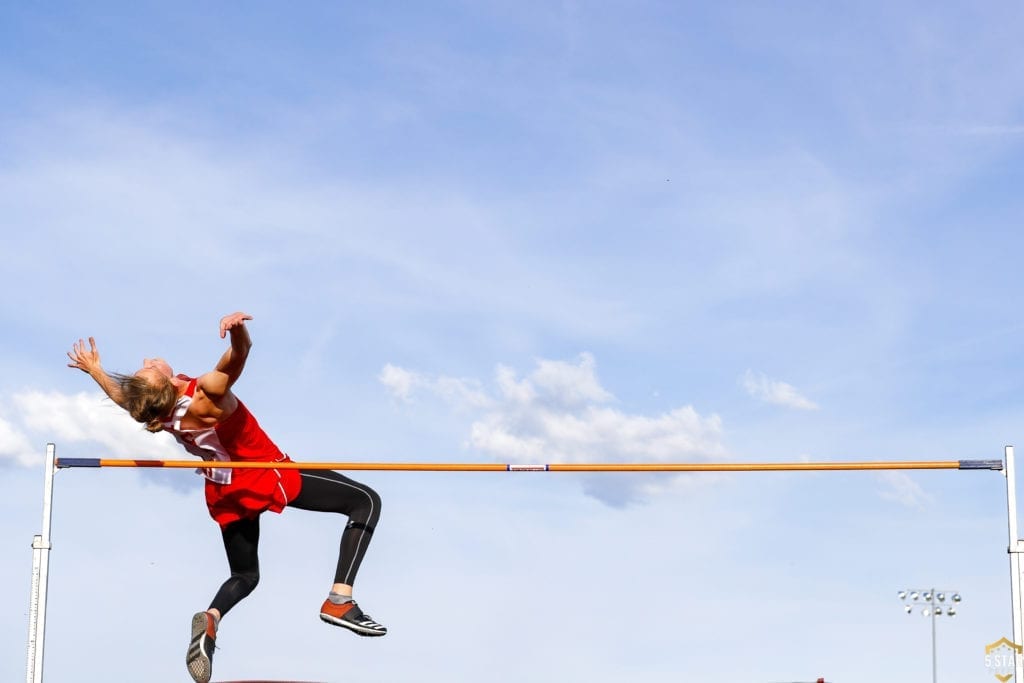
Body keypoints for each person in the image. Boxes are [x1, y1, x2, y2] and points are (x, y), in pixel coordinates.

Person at [67, 312, 386, 683]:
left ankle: (212, 620)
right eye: (149, 368)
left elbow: (128, 400)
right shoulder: (206, 393)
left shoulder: (157, 411)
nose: (147, 361)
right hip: (265, 474)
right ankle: (339, 600)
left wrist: (97, 372)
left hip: (222, 489)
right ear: (167, 382)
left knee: (245, 575)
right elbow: (241, 353)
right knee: (365, 500)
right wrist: (238, 331)